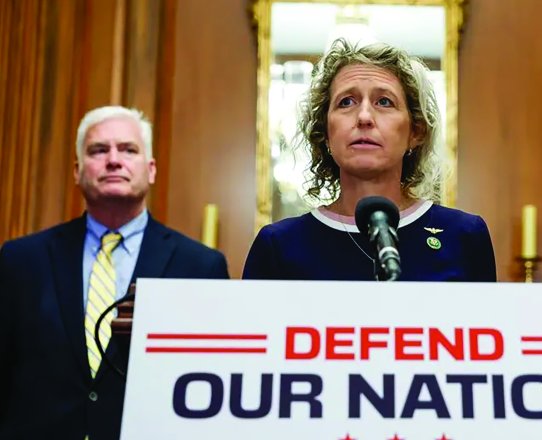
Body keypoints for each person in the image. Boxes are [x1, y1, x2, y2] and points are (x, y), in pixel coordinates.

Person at [0, 106, 229, 439]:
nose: (113, 159)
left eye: (128, 149)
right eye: (98, 150)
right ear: (78, 171)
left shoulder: (200, 266)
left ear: (150, 170)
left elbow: (211, 379)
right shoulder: (21, 259)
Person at [243, 40, 496, 281]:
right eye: (347, 102)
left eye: (384, 101)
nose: (364, 117)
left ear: (415, 132)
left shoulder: (463, 235)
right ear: (325, 134)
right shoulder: (278, 246)